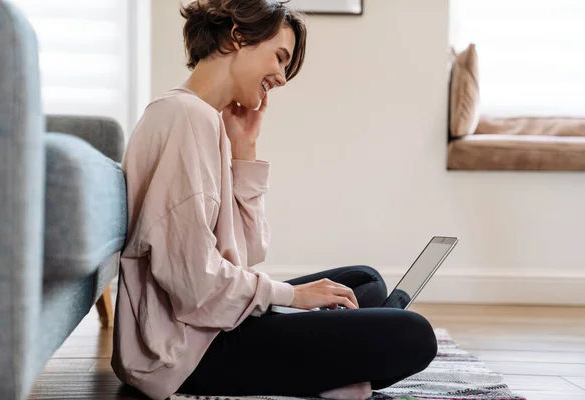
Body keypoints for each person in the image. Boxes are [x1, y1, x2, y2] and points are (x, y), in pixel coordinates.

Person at [111, 1, 438, 399]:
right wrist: (292, 296)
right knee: (414, 335)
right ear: (238, 36)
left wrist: (244, 151)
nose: (281, 78)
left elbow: (246, 252)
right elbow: (193, 284)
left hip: (213, 322)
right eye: (280, 58)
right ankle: (341, 364)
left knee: (363, 281)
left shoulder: (205, 118)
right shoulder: (182, 117)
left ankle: (340, 361)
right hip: (190, 353)